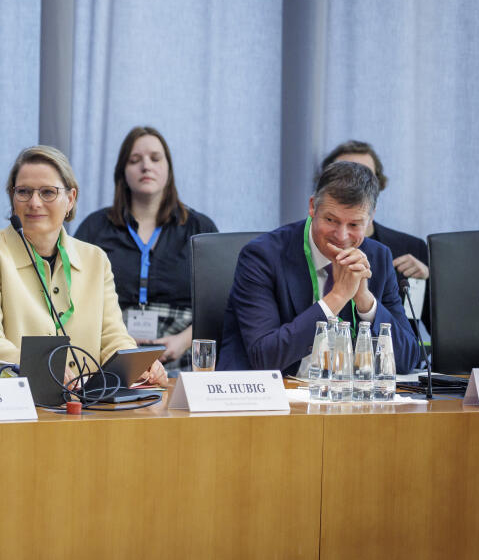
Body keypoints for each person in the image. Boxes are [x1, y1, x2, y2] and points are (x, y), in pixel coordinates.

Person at [0, 145, 168, 385]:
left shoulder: (95, 260)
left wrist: (138, 365)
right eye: (24, 192)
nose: (34, 203)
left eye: (48, 192)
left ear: (70, 199)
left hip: (87, 404)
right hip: (10, 400)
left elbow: (113, 337)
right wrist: (42, 368)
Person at [217, 161, 420, 375]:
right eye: (331, 220)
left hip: (347, 398)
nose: (342, 236)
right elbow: (265, 356)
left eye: (354, 225)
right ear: (313, 206)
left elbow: (407, 360)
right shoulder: (263, 256)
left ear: (370, 218)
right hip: (273, 396)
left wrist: (365, 301)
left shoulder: (378, 257)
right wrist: (338, 296)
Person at [75, 126, 217, 368]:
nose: (146, 166)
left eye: (155, 158)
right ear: (122, 172)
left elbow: (218, 303)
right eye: (135, 160)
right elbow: (73, 298)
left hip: (182, 354)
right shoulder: (95, 227)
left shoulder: (200, 228)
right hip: (109, 351)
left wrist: (184, 341)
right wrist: (114, 340)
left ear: (169, 169)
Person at [319, 140, 429, 329]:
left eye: (364, 175)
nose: (353, 184)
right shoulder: (310, 242)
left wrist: (428, 282)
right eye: (342, 175)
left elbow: (437, 330)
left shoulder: (410, 247)